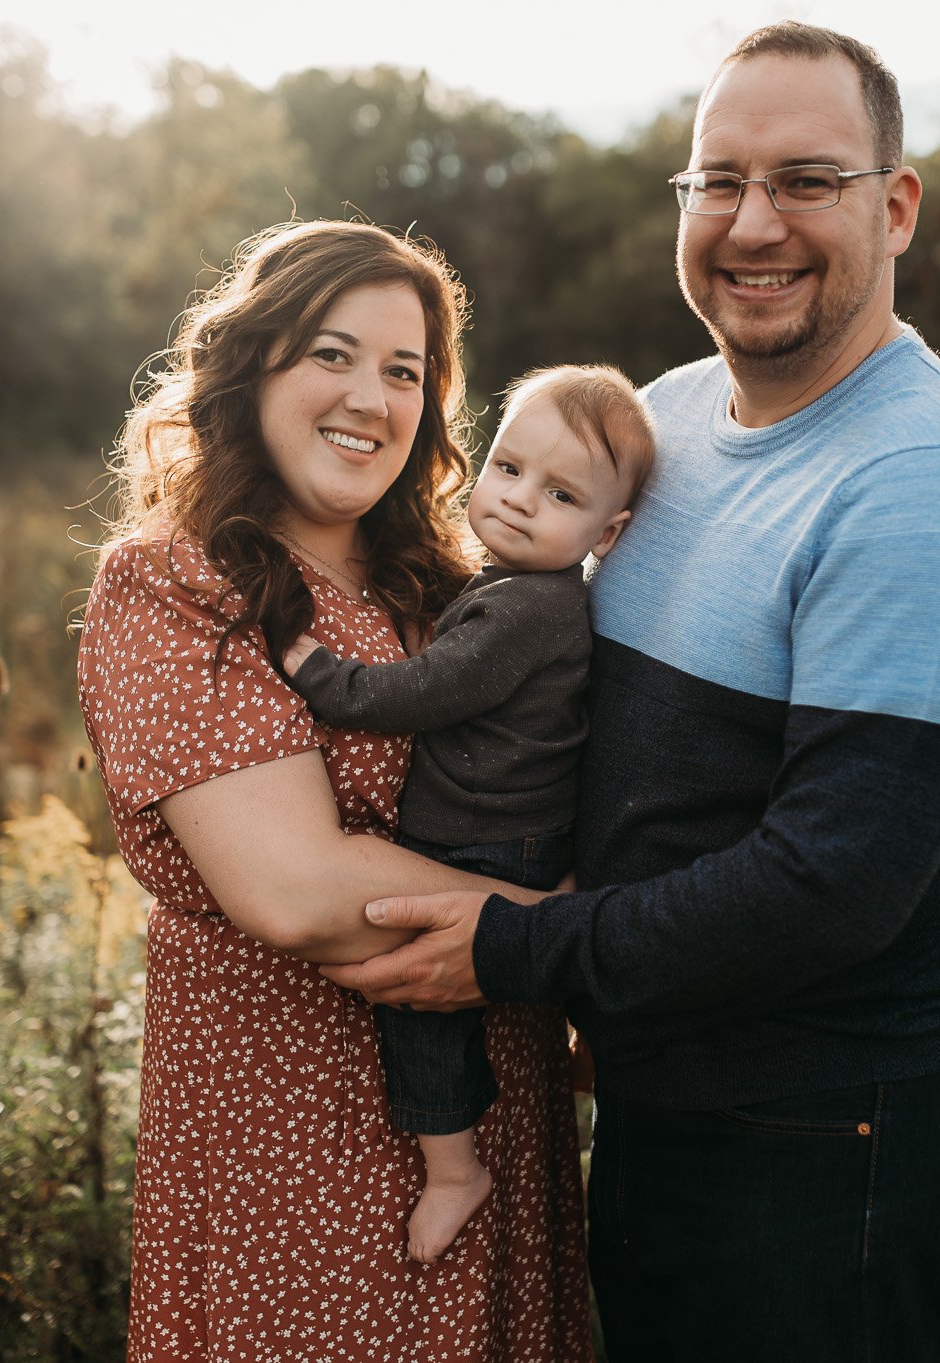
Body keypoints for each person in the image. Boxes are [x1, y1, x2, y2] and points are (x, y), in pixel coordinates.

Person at [321, 22, 940, 1363]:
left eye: (805, 180)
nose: (752, 221)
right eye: (718, 179)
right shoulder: (658, 424)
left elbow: (831, 881)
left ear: (896, 207)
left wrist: (510, 945)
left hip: (831, 1133)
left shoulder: (929, 487)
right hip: (676, 1088)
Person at [76, 220, 591, 1362]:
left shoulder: (461, 589)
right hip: (294, 1133)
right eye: (331, 354)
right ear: (253, 362)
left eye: (404, 372)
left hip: (498, 1115)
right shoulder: (176, 579)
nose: (370, 396)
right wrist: (567, 931)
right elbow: (297, 887)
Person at [281, 364, 653, 1265]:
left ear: (607, 532)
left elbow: (426, 691)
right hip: (507, 826)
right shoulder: (514, 586)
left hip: (490, 838)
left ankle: (453, 1169)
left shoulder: (530, 608)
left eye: (560, 493)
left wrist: (316, 672)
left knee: (421, 993)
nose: (521, 501)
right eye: (508, 468)